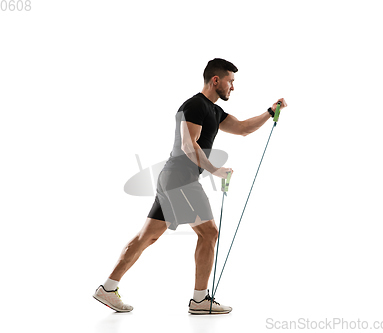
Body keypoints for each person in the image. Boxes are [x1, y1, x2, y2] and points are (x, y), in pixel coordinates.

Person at [93, 58, 287, 314]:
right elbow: (188, 145)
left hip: (174, 179)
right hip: (180, 178)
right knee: (209, 233)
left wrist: (268, 112)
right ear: (215, 80)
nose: (233, 88)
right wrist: (215, 170)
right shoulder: (195, 105)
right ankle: (200, 300)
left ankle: (107, 288)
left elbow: (242, 129)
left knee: (146, 237)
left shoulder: (215, 111)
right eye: (230, 81)